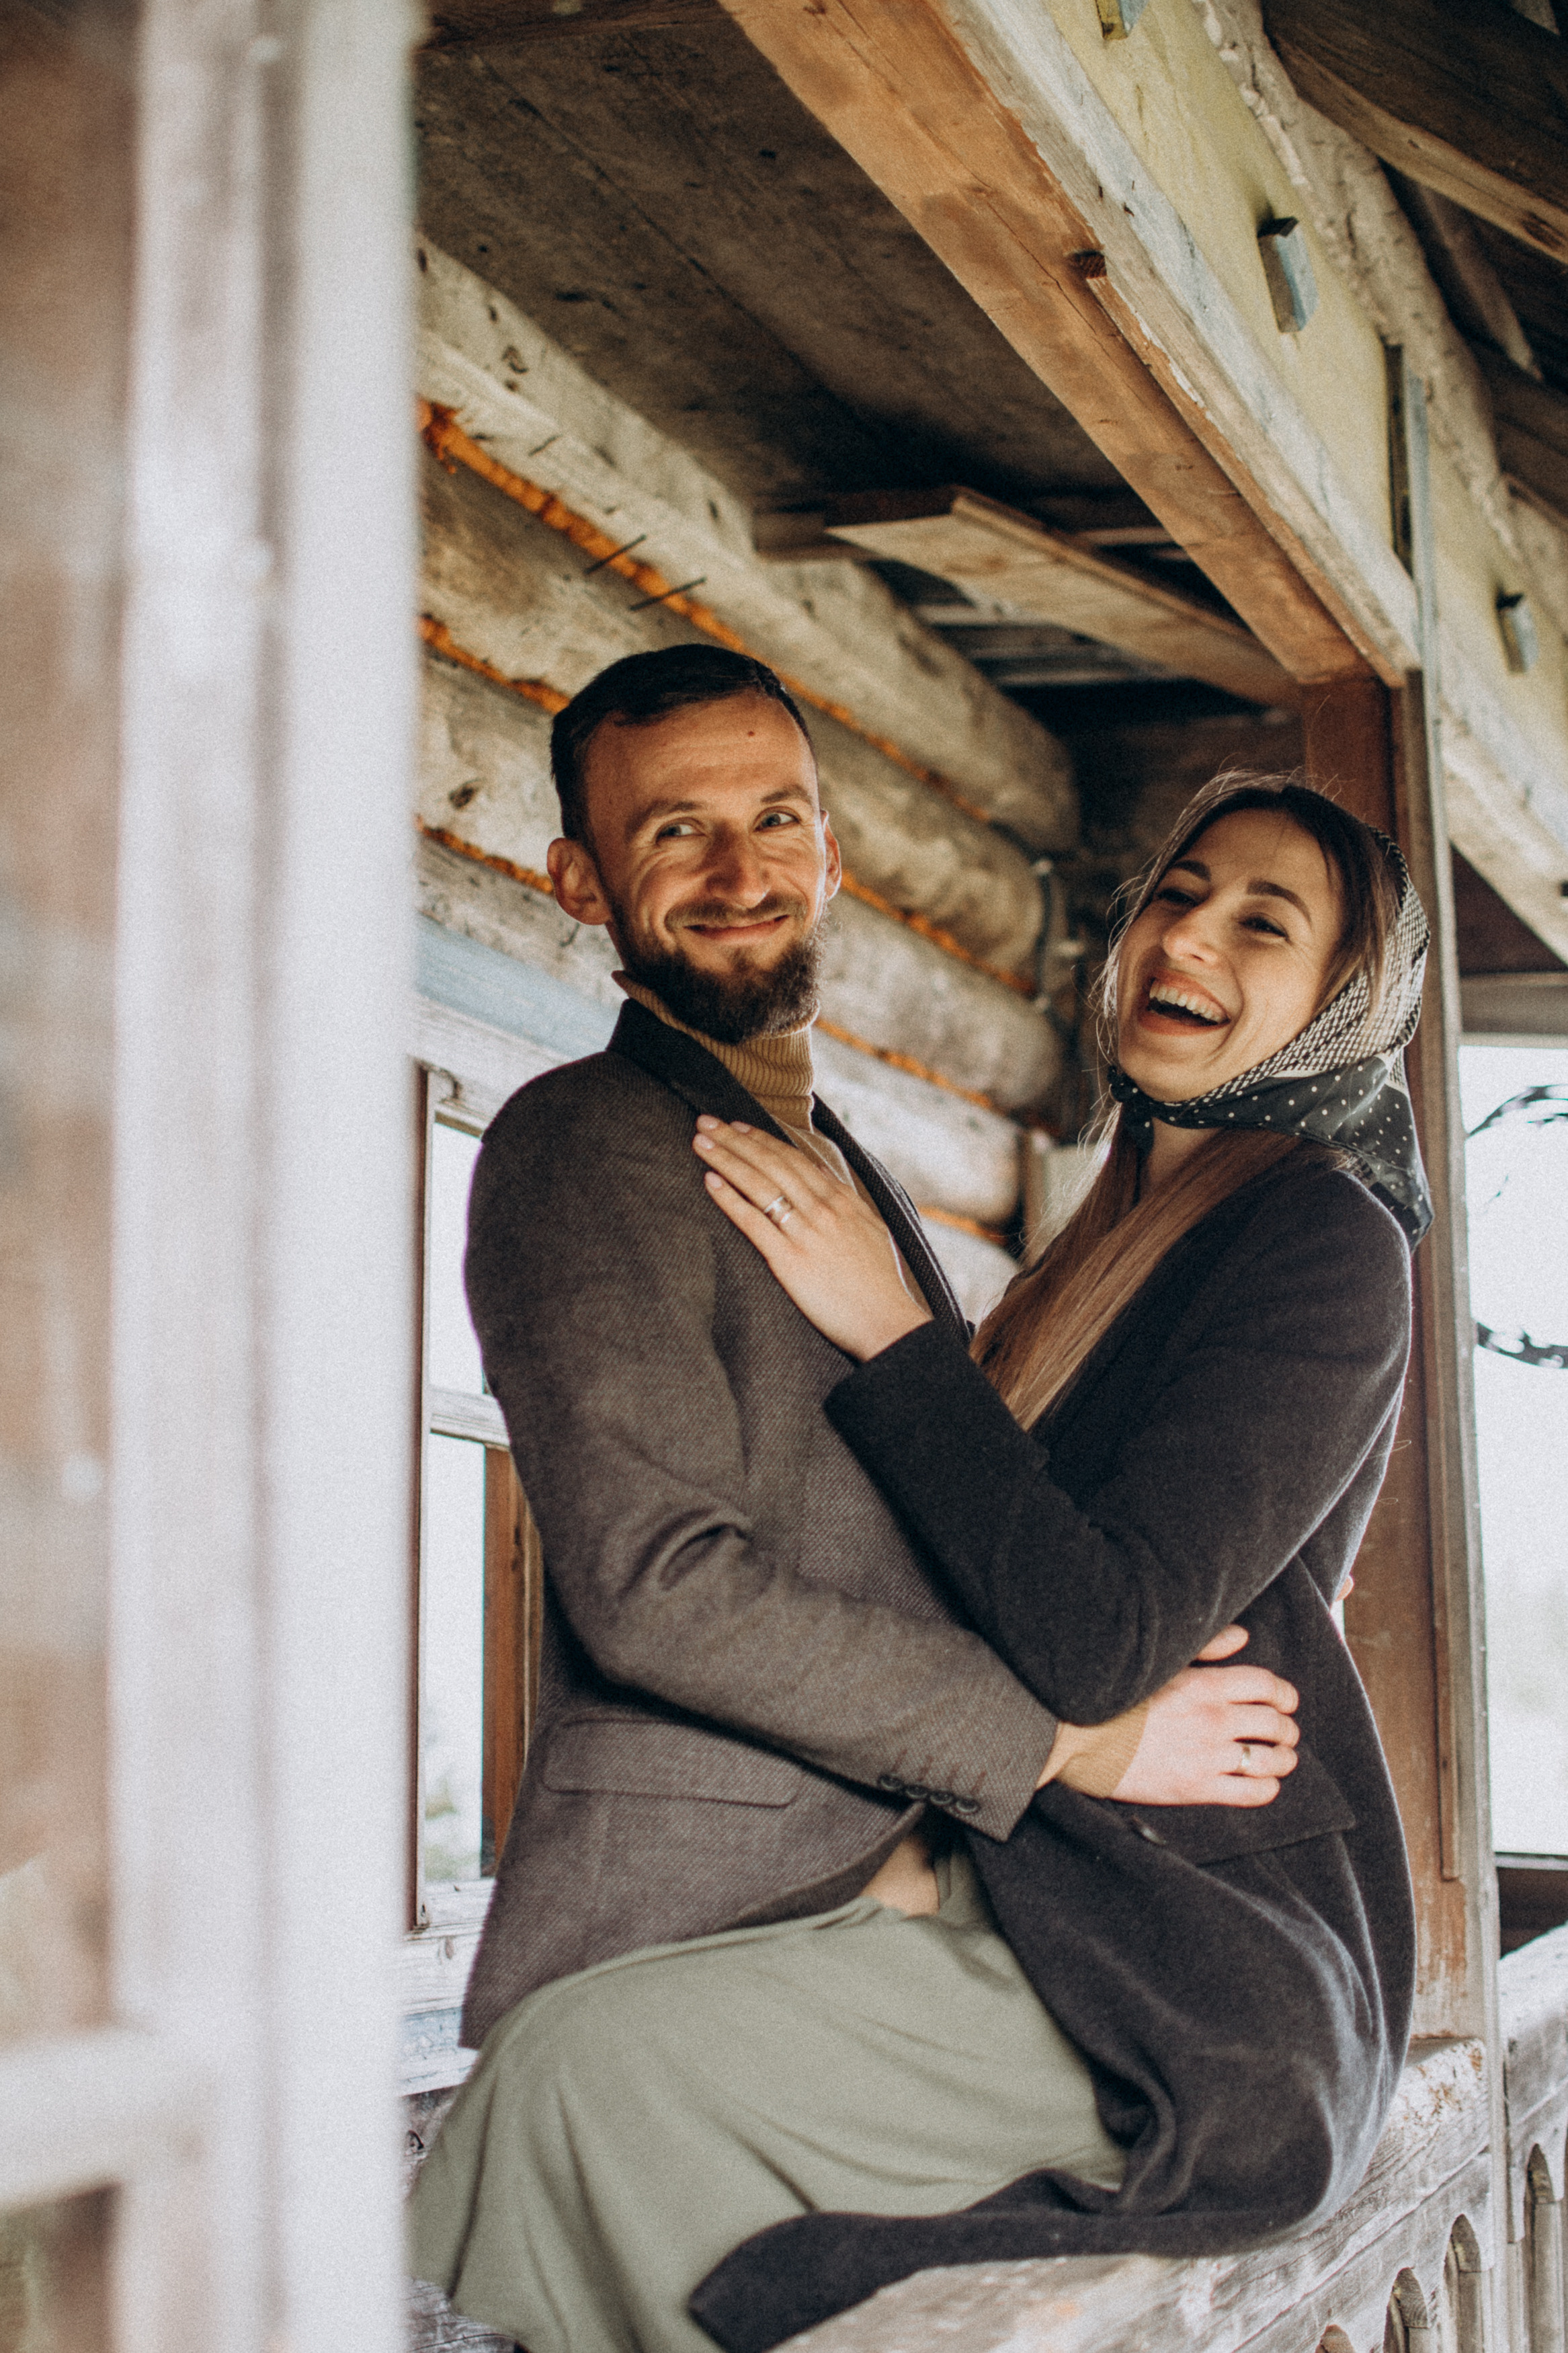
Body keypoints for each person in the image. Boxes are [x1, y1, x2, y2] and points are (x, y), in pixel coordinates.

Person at [406, 647, 1307, 2350]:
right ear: (580, 881)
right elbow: (662, 1585)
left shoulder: (851, 1167)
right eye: (677, 833)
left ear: (833, 857)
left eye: (777, 820)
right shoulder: (581, 1141)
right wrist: (1071, 1749)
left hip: (887, 1902)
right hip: (697, 1928)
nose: (740, 873)